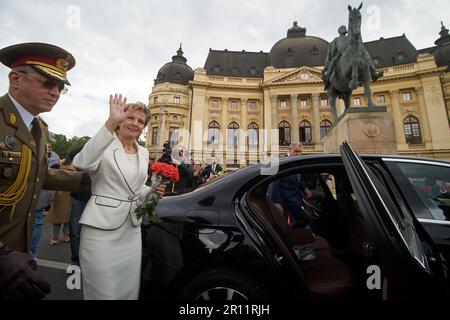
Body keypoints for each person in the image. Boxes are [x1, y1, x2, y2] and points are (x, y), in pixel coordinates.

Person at [0, 42, 84, 300]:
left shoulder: (40, 127)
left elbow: (36, 174)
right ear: (15, 79)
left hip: (20, 254)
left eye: (60, 87)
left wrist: (85, 180)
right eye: (47, 83)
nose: (56, 92)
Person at [72, 94, 165, 300]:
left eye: (141, 121)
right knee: (102, 293)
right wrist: (109, 123)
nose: (135, 124)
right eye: (130, 118)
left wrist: (151, 192)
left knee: (127, 292)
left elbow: (137, 189)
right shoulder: (105, 142)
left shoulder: (143, 152)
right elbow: (82, 163)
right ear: (121, 119)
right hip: (100, 230)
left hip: (131, 231)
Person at [267, 143, 312, 228]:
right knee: (303, 221)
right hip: (286, 202)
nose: (298, 154)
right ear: (289, 150)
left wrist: (305, 188)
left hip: (295, 201)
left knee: (301, 222)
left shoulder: (296, 163)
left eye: (300, 152)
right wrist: (276, 202)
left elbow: (298, 179)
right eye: (296, 151)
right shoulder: (281, 162)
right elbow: (273, 184)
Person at [29, 148, 60, 259]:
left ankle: (30, 254)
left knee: (36, 223)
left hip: (39, 197)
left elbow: (52, 176)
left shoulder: (53, 156)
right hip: (23, 196)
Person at [67, 147, 91, 266]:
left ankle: (87, 260)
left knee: (91, 233)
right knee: (75, 231)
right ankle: (75, 260)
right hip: (77, 198)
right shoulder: (80, 150)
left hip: (94, 200)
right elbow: (70, 159)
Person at [45, 157, 74, 245]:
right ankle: (65, 235)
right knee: (66, 218)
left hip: (60, 194)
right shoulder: (73, 167)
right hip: (66, 194)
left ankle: (56, 236)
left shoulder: (59, 166)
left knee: (59, 218)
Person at [322, 25, 349, 90]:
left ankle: (327, 78)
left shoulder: (338, 40)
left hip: (344, 56)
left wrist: (325, 68)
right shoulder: (348, 39)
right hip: (344, 56)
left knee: (333, 60)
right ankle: (372, 73)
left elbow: (330, 56)